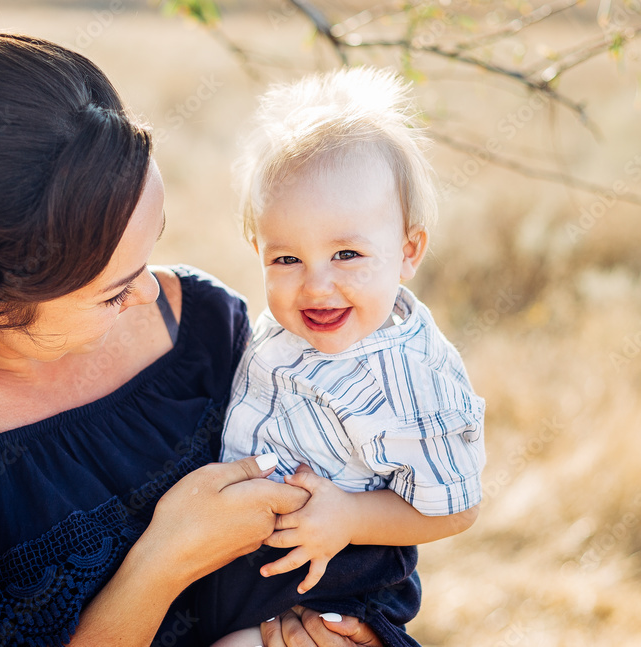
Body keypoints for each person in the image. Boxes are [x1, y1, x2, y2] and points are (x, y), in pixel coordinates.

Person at [0, 33, 415, 647]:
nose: (152, 294)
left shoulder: (203, 327)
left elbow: (360, 513)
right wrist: (163, 561)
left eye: (149, 250)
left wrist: (347, 624)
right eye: (112, 289)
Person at [208, 68, 487, 647]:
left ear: (407, 251)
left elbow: (457, 508)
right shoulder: (291, 324)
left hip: (337, 578)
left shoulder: (408, 381)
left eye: (347, 254)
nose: (316, 287)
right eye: (286, 259)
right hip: (254, 563)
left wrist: (351, 518)